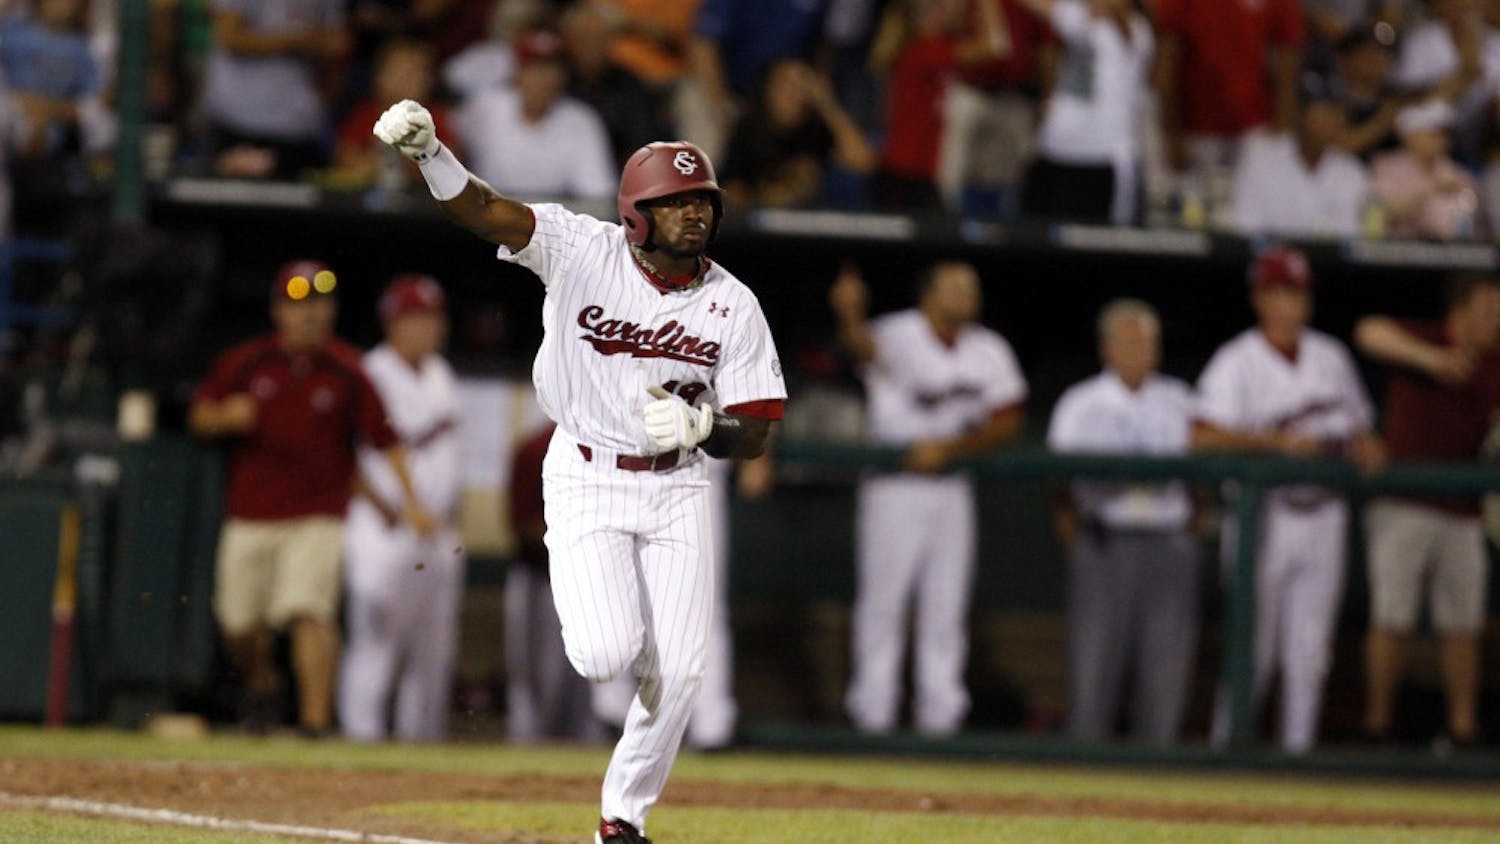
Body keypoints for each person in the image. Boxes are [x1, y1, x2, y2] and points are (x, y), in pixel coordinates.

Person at [373, 98, 786, 843]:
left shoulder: (735, 304)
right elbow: (486, 213)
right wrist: (432, 154)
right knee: (604, 656)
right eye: (674, 202)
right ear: (636, 213)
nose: (692, 215)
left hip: (680, 485)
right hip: (589, 472)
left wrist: (707, 427)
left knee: (684, 671)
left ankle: (621, 817)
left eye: (701, 201)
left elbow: (756, 430)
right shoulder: (581, 248)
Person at [189, 260, 434, 736]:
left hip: (317, 515)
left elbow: (383, 442)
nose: (310, 315)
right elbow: (200, 414)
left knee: (309, 612)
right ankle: (262, 682)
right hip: (251, 512)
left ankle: (314, 724)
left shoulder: (347, 370)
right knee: (240, 624)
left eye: (320, 304)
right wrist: (222, 418)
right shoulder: (247, 363)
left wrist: (408, 501)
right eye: (299, 305)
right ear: (279, 311)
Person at [1192, 245, 1383, 754]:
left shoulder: (1332, 357)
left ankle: (1298, 761)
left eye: (1297, 292)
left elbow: (1365, 433)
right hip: (1264, 516)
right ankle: (1226, 755)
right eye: (1279, 291)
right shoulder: (1238, 360)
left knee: (1311, 653)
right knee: (1252, 648)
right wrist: (1274, 443)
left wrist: (1367, 446)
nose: (1290, 303)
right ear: (1259, 298)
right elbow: (1202, 436)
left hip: (1324, 515)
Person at [828, 261, 1027, 737]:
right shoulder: (899, 333)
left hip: (953, 487)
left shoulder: (989, 349)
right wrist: (850, 314)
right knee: (884, 604)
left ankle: (941, 718)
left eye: (971, 286)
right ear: (928, 295)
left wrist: (953, 449)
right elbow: (862, 346)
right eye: (955, 286)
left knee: (946, 606)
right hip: (895, 484)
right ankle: (873, 715)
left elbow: (1009, 418)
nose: (966, 294)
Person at [1354, 273, 1500, 751]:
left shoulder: (1495, 362)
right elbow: (1367, 330)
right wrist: (1431, 360)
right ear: (1459, 313)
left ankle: (1461, 730)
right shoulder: (1426, 340)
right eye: (1488, 310)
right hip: (1405, 504)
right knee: (1391, 617)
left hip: (1463, 511)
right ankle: (1376, 727)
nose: (1495, 321)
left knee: (1462, 625)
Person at [1047, 299, 1197, 745]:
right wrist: (1072, 532)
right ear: (1107, 349)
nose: (1141, 350)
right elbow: (1055, 477)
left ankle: (1159, 785)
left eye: (1149, 341)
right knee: (1093, 668)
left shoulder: (1180, 399)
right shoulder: (1081, 402)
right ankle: (1085, 781)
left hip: (1167, 541)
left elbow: (1204, 477)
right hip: (1104, 539)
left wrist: (1190, 528)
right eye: (1130, 341)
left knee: (1166, 671)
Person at [338, 275, 465, 743]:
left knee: (432, 650)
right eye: (415, 318)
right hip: (383, 526)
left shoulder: (441, 374)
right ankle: (361, 735)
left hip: (438, 531)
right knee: (376, 639)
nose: (428, 328)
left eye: (433, 318)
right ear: (392, 323)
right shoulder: (369, 372)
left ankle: (420, 746)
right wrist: (393, 505)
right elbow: (345, 453)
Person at [592, 453, 775, 750]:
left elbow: (749, 406)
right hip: (620, 466)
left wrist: (758, 454)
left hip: (695, 469)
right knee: (617, 594)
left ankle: (711, 727)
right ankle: (614, 717)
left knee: (701, 601)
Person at [506, 420, 604, 744]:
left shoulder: (606, 449)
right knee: (537, 675)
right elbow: (522, 525)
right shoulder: (534, 448)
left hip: (589, 581)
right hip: (540, 578)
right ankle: (528, 745)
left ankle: (587, 748)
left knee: (591, 675)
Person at [1017, 0, 1155, 225]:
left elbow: (1122, 22)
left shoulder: (1137, 30)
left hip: (1105, 158)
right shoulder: (1079, 20)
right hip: (1054, 153)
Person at [872, 0, 1011, 209]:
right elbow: (994, 46)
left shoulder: (928, 49)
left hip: (918, 172)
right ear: (934, 15)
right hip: (905, 173)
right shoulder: (924, 51)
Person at [454, 30, 616, 200]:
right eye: (534, 69)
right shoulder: (487, 107)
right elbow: (449, 147)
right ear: (517, 74)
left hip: (547, 220)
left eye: (551, 70)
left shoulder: (581, 120)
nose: (543, 79)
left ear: (563, 78)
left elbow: (598, 196)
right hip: (487, 214)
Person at [199, 0, 347, 179]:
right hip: (236, 119)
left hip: (299, 126)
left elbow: (337, 43)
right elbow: (229, 36)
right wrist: (297, 41)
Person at [1155, 0, 1304, 176]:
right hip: (1197, 130)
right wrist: (1172, 134)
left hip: (1255, 128)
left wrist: (1281, 128)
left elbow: (1287, 56)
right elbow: (1167, 61)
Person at [719, 58, 877, 208]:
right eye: (788, 85)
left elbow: (863, 161)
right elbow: (732, 192)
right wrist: (767, 199)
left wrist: (827, 104)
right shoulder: (748, 130)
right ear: (768, 90)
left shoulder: (815, 130)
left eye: (802, 86)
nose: (796, 95)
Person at [1230, 77, 1369, 239]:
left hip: (1330, 264)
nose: (1335, 121)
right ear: (1301, 114)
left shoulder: (1352, 171)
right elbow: (1245, 231)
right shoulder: (1260, 160)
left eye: (1340, 113)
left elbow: (1352, 241)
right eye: (1326, 111)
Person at [332, 38, 459, 190]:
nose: (407, 81)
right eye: (400, 72)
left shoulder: (435, 117)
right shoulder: (365, 115)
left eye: (416, 73)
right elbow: (344, 157)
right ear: (378, 77)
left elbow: (448, 162)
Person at [1371, 98, 1484, 241]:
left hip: (1453, 255)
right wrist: (1430, 192)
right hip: (1401, 253)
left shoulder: (1457, 173)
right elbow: (1382, 213)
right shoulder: (1386, 167)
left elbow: (1473, 219)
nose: (1440, 140)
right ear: (1409, 135)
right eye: (1432, 133)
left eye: (1444, 134)